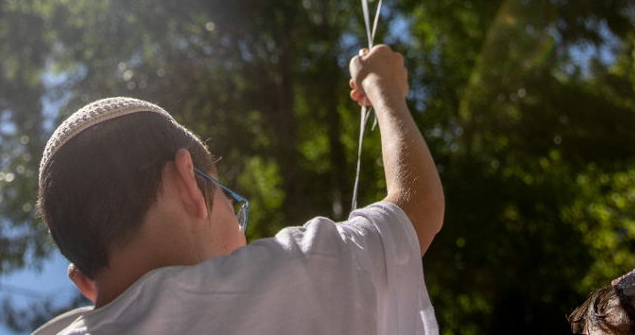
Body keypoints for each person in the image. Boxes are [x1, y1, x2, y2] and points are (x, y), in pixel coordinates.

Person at [32, 44, 443, 333]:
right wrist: (384, 87)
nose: (245, 234)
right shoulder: (273, 278)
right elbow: (417, 208)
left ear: (85, 283)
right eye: (233, 203)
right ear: (188, 183)